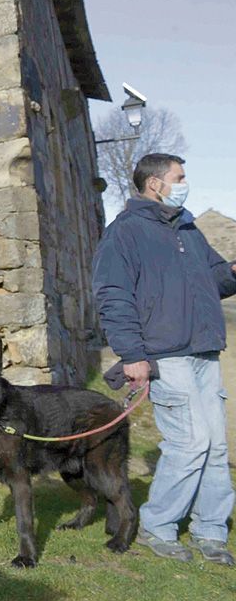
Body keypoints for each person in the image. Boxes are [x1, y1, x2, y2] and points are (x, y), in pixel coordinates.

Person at [93, 153, 236, 565]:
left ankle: (211, 530)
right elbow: (112, 294)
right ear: (155, 184)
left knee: (215, 445)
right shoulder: (125, 232)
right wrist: (132, 354)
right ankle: (159, 525)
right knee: (189, 443)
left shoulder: (189, 228)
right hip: (162, 354)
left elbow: (214, 280)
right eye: (179, 177)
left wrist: (233, 270)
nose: (185, 182)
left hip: (203, 351)